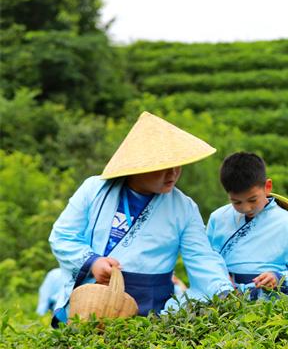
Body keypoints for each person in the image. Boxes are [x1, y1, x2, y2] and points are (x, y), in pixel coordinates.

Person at [48, 112, 233, 322]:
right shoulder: (94, 189)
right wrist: (93, 262)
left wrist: (222, 289)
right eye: (164, 168)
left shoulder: (184, 207)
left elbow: (201, 256)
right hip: (89, 300)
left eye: (177, 165)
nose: (173, 174)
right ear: (139, 166)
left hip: (148, 307)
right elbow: (62, 236)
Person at [206, 152, 288, 298]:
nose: (246, 208)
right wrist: (218, 278)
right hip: (225, 300)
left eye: (252, 200)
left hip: (270, 302)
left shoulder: (287, 222)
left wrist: (278, 277)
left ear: (267, 186)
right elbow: (206, 262)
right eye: (237, 202)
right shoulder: (218, 218)